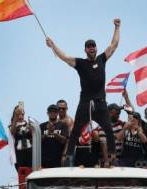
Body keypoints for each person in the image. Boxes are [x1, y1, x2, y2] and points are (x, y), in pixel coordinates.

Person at [45, 18, 121, 162]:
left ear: (96, 49)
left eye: (93, 46)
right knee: (76, 129)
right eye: (88, 47)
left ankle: (112, 156)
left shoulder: (101, 59)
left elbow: (114, 45)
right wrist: (53, 45)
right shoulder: (80, 63)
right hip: (85, 101)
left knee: (108, 128)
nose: (91, 48)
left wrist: (117, 27)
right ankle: (68, 156)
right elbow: (65, 57)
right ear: (85, 50)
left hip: (100, 101)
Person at [8, 102, 33, 171]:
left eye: (22, 112)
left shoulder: (29, 124)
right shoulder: (12, 126)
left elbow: (34, 136)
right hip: (19, 155)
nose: (20, 114)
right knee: (22, 174)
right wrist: (16, 116)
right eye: (18, 113)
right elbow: (12, 132)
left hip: (30, 153)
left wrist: (30, 127)